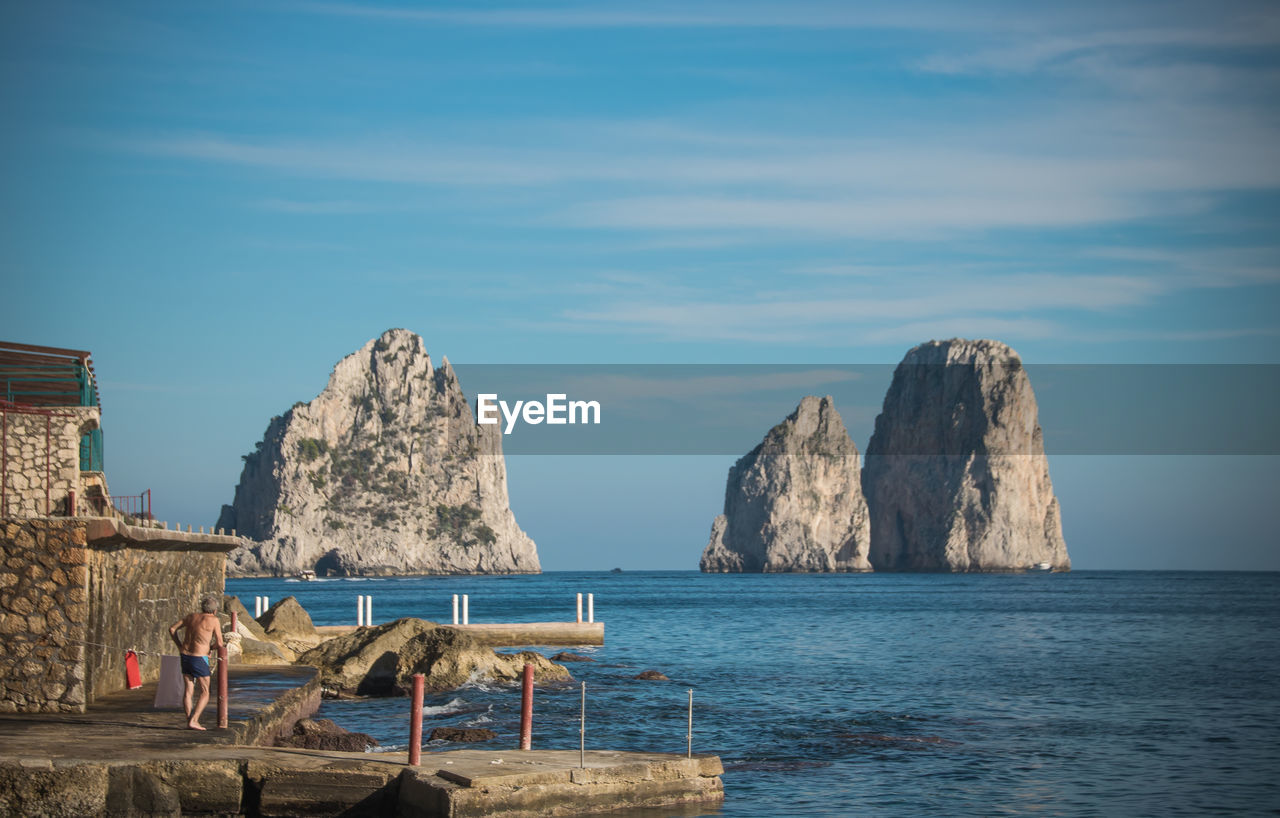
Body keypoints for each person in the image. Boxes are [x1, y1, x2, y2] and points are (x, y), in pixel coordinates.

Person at [168, 596, 225, 730]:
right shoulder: (214, 620)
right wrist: (210, 648)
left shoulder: (191, 617)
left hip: (185, 655)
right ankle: (194, 720)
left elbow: (172, 629)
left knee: (189, 691)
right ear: (215, 610)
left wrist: (179, 645)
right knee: (205, 691)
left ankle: (189, 720)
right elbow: (220, 643)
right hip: (198, 657)